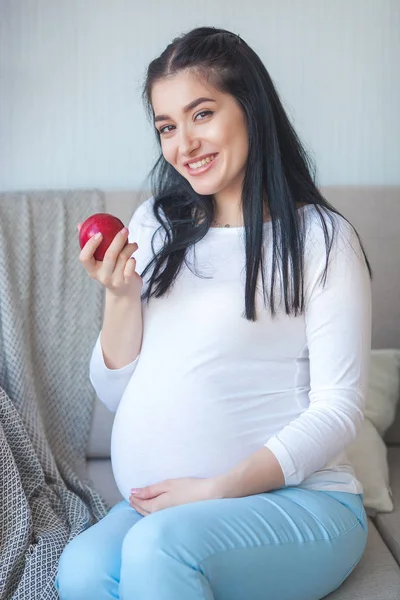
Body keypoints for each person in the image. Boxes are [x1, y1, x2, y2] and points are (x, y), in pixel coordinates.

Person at [56, 26, 372, 600]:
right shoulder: (157, 222)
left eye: (201, 114)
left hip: (302, 502)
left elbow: (340, 409)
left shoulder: (322, 239)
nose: (184, 144)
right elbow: (115, 392)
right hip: (168, 508)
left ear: (249, 106)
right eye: (167, 127)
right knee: (79, 571)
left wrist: (221, 488)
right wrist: (121, 296)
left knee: (159, 552)